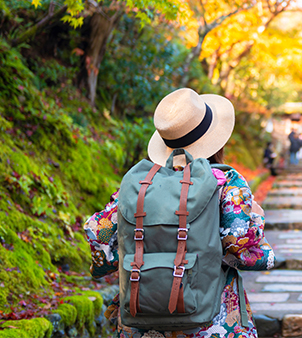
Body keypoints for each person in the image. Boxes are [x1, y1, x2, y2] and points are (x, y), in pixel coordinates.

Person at [84, 88, 275, 338]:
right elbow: (241, 252)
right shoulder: (225, 182)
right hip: (211, 324)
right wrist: (258, 224)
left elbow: (99, 239)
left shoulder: (139, 187)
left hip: (141, 322)